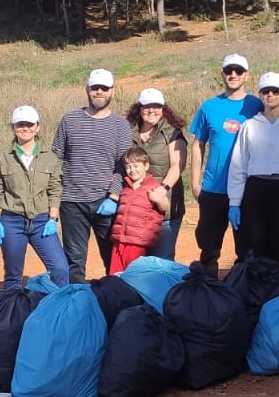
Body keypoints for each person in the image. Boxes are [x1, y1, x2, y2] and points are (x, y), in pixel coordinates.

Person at [226, 72, 279, 277]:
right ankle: (257, 297)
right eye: (266, 91)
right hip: (256, 190)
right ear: (261, 94)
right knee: (256, 246)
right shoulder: (249, 126)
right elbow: (239, 165)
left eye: (275, 91)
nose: (270, 95)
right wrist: (234, 202)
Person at [53, 68, 133, 283]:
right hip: (72, 202)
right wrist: (54, 195)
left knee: (112, 257)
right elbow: (55, 159)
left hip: (105, 201)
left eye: (104, 88)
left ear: (112, 91)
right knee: (74, 260)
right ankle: (75, 303)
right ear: (87, 90)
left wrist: (114, 196)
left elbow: (124, 165)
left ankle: (114, 303)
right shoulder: (69, 120)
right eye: (95, 88)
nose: (99, 92)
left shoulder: (120, 125)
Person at [188, 54, 262, 277]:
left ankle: (242, 294)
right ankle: (210, 294)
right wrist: (194, 183)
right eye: (228, 70)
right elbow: (197, 144)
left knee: (247, 250)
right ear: (222, 74)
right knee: (209, 249)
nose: (233, 75)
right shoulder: (209, 106)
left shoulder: (257, 106)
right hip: (214, 188)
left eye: (238, 71)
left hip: (247, 189)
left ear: (246, 76)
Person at [0, 105, 70, 288]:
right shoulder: (2, 158)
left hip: (42, 222)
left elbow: (55, 189)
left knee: (60, 270)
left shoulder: (50, 158)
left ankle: (59, 309)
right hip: (12, 222)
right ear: (13, 127)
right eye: (20, 124)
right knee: (13, 275)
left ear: (37, 127)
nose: (25, 128)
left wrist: (53, 218)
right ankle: (12, 312)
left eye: (29, 124)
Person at [126, 88, 187, 260]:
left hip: (164, 207)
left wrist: (162, 189)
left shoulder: (172, 133)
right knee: (136, 260)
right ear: (139, 108)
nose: (151, 110)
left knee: (163, 259)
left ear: (163, 108)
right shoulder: (128, 131)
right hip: (136, 208)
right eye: (147, 106)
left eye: (156, 106)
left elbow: (177, 165)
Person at [108, 147, 171, 274]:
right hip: (119, 241)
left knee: (135, 277)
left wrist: (158, 199)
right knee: (115, 277)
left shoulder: (154, 187)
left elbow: (165, 207)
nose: (132, 170)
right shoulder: (125, 187)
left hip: (138, 243)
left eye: (136, 166)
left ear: (146, 166)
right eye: (128, 167)